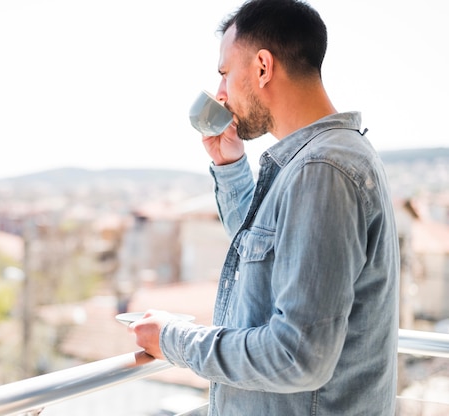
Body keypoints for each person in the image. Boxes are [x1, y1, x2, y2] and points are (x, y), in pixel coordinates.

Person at [129, 0, 400, 414]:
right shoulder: (324, 159)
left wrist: (173, 339)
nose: (219, 93)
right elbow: (264, 260)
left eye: (224, 73)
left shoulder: (321, 169)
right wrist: (231, 166)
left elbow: (297, 356)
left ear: (261, 67)